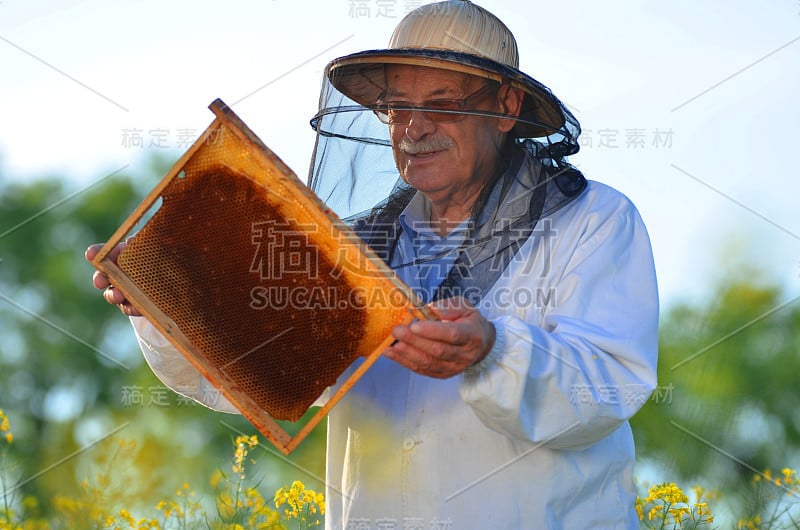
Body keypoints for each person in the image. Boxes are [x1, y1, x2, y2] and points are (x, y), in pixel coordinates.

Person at [87, 1, 658, 527]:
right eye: (397, 110)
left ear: (505, 108)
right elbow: (252, 378)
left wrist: (493, 350)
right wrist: (164, 306)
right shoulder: (355, 253)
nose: (414, 130)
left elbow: (608, 387)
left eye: (442, 106)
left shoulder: (594, 221)